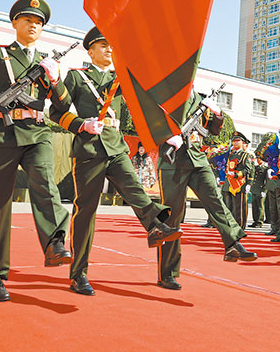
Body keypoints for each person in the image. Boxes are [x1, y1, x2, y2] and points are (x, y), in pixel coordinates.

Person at [0, 0, 73, 302]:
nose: (33, 26)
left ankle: (56, 242)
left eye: (39, 23)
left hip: (38, 133)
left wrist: (55, 78)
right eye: (28, 20)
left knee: (45, 183)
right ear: (15, 23)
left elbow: (62, 106)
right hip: (3, 135)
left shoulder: (47, 63)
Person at [48, 26, 181, 295]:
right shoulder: (77, 77)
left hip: (117, 147)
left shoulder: (121, 79)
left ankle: (155, 226)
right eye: (103, 45)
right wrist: (80, 125)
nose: (110, 50)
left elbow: (146, 95)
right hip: (89, 149)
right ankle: (78, 274)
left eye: (112, 46)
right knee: (85, 212)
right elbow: (56, 111)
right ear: (91, 51)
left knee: (136, 191)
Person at [156, 92, 257, 290]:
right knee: (172, 218)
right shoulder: (168, 92)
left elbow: (213, 131)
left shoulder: (199, 99)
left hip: (197, 159)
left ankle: (233, 244)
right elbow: (151, 124)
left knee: (216, 200)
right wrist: (168, 137)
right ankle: (167, 273)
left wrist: (218, 114)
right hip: (172, 162)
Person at [224, 132, 253, 229]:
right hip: (228, 184)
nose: (235, 143)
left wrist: (237, 175)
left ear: (242, 142)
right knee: (229, 207)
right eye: (234, 141)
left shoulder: (245, 155)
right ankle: (231, 226)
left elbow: (248, 169)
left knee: (239, 208)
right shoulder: (230, 154)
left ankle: (240, 227)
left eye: (238, 141)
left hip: (239, 184)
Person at [250, 158, 267, 227]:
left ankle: (259, 222)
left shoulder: (265, 168)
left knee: (260, 206)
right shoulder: (255, 167)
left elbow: (266, 180)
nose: (258, 160)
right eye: (257, 159)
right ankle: (255, 221)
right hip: (254, 189)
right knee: (254, 206)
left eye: (259, 159)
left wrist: (264, 190)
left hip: (260, 189)